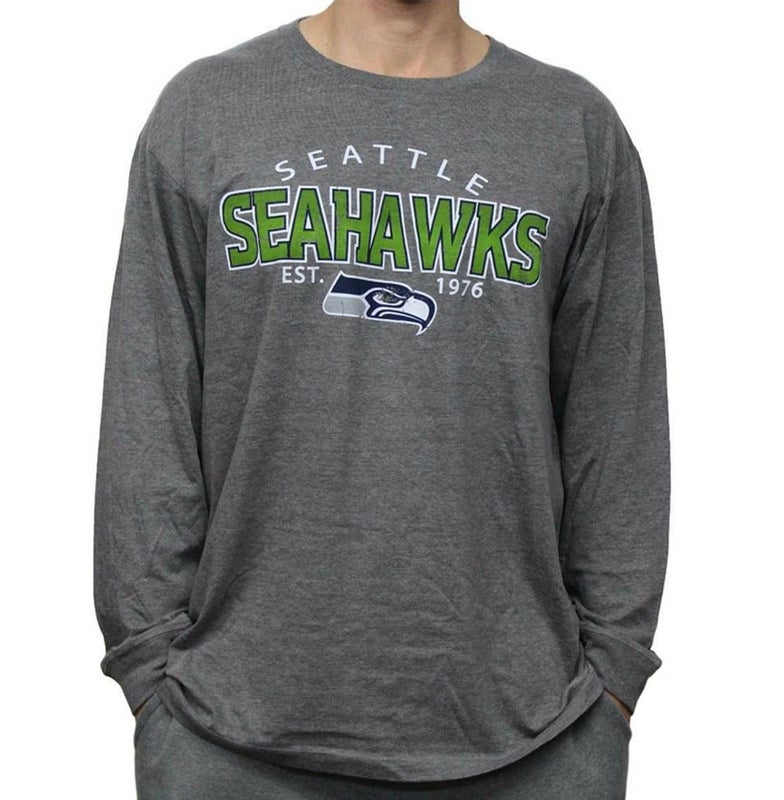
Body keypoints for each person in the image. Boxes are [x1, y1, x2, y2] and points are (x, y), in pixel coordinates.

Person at [93, 1, 670, 798]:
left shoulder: (572, 127)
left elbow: (618, 425)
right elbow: (149, 406)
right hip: (227, 736)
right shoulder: (208, 110)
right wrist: (150, 670)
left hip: (533, 742)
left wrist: (612, 681)